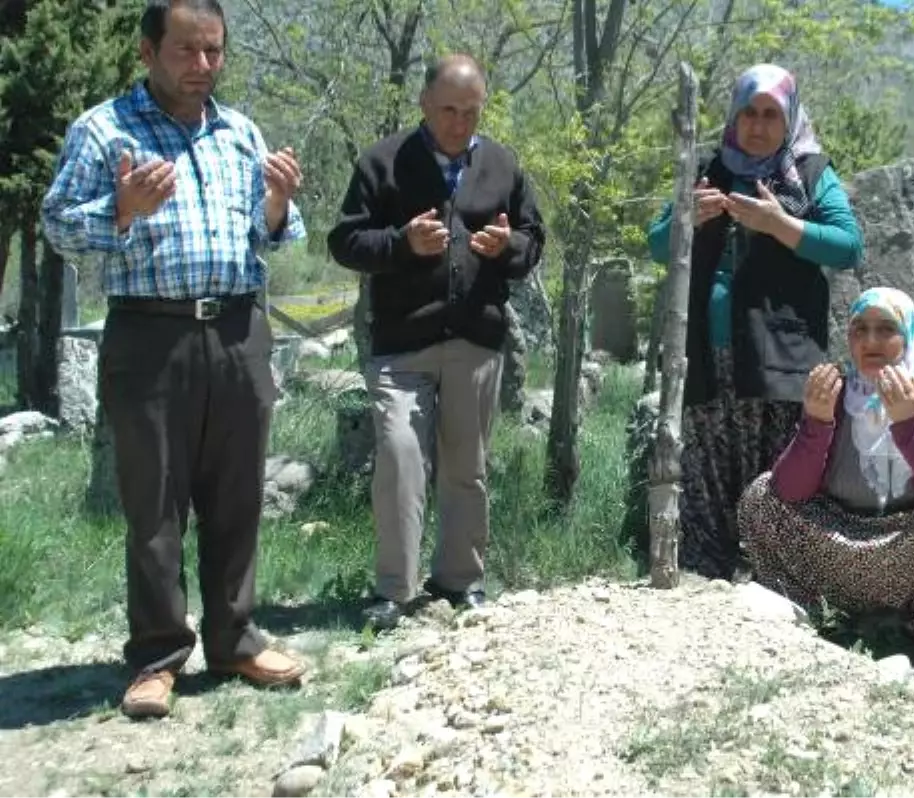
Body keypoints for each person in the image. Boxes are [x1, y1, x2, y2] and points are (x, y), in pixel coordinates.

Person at [40, 0, 309, 719]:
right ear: (148, 52)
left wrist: (278, 204)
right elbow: (59, 226)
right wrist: (120, 210)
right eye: (187, 51)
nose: (202, 67)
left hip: (238, 331)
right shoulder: (104, 130)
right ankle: (158, 656)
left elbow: (275, 236)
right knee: (154, 502)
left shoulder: (240, 132)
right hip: (150, 338)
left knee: (237, 494)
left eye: (214, 52)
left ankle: (236, 639)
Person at [327, 54, 545, 629]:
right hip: (402, 342)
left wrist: (508, 248)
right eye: (448, 109)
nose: (458, 122)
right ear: (424, 102)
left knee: (466, 468)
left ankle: (459, 579)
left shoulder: (502, 163)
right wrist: (400, 244)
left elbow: (532, 238)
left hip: (475, 339)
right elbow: (345, 241)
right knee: (400, 457)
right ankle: (393, 591)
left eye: (470, 111)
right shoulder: (383, 161)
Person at [646, 63, 864, 580]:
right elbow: (657, 244)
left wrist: (780, 223)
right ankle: (706, 575)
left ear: (789, 120)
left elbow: (848, 246)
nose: (759, 125)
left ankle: (776, 575)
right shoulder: (708, 170)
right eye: (750, 112)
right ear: (734, 115)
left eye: (771, 114)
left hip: (779, 352)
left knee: (774, 464)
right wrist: (686, 218)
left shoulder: (809, 173)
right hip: (707, 346)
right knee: (707, 466)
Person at [737, 287, 914, 640]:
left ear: (909, 334)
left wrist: (910, 424)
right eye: (859, 329)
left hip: (913, 545)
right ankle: (813, 615)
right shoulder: (832, 391)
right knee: (761, 496)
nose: (871, 341)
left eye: (886, 329)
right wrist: (817, 423)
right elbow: (789, 490)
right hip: (833, 543)